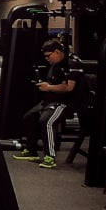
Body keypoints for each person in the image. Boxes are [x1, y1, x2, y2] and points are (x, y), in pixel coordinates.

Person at [13, 38, 78, 168]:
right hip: (49, 101)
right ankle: (32, 151)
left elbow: (68, 87)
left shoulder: (70, 65)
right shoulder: (54, 65)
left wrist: (48, 87)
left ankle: (50, 157)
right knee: (28, 117)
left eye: (48, 56)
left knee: (46, 121)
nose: (47, 59)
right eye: (45, 56)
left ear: (57, 52)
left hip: (64, 103)